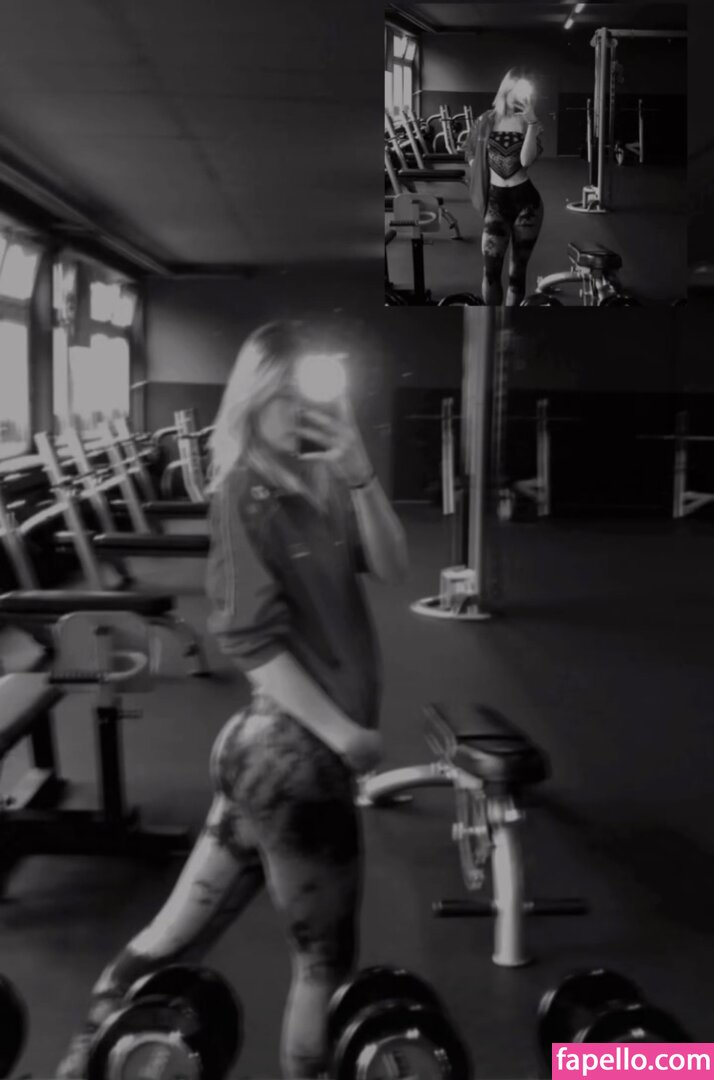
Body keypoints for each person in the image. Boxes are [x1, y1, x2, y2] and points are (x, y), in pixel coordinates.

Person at [56, 320, 408, 1079]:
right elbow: (251, 642)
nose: (297, 411)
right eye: (281, 396)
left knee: (179, 935)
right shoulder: (243, 490)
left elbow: (393, 564)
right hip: (295, 761)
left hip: (264, 763)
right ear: (252, 396)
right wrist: (344, 733)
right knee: (324, 965)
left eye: (305, 395)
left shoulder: (319, 481)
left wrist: (360, 476)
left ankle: (82, 1061)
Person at [463, 68, 545, 306]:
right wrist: (478, 169)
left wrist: (531, 122)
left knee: (517, 273)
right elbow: (470, 151)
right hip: (496, 202)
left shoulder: (530, 122)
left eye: (523, 91)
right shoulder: (486, 120)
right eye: (515, 90)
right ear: (506, 89)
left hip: (527, 204)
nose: (518, 97)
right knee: (490, 272)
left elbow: (526, 161)